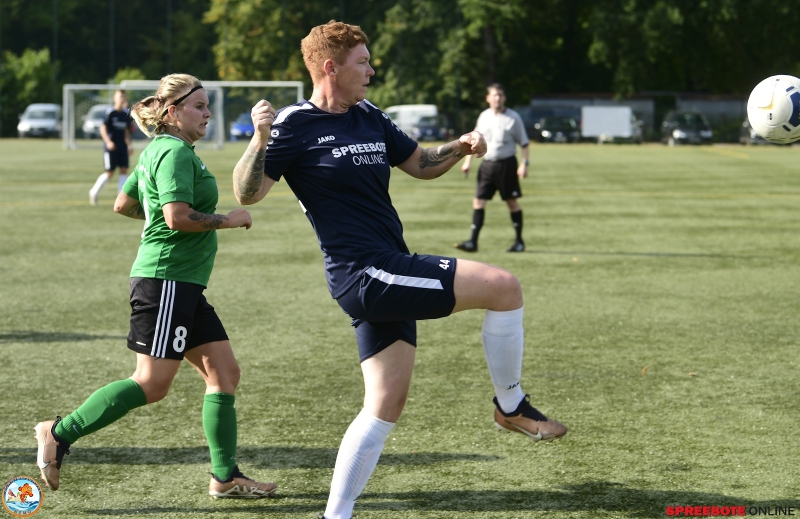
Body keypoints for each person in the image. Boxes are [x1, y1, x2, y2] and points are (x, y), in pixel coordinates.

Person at [233, 20, 567, 519]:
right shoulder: (293, 125)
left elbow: (419, 163)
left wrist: (459, 147)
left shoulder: (369, 114)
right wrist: (259, 138)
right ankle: (511, 407)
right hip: (364, 273)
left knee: (383, 406)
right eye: (362, 62)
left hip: (387, 268)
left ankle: (335, 515)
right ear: (331, 67)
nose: (371, 69)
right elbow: (246, 193)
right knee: (503, 286)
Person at [35, 74, 277, 499]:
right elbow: (176, 217)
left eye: (207, 106)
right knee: (151, 383)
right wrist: (227, 219)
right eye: (199, 106)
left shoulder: (162, 151)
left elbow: (123, 204)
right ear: (173, 111)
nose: (207, 114)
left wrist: (161, 225)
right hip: (166, 282)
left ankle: (225, 476)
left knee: (224, 373)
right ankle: (58, 432)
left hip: (182, 284)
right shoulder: (173, 153)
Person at [455, 83, 530, 253]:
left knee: (512, 202)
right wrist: (467, 163)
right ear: (488, 98)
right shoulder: (483, 116)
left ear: (505, 98)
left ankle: (519, 242)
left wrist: (524, 163)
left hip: (507, 165)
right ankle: (472, 242)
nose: (498, 98)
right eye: (495, 95)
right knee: (479, 201)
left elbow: (524, 143)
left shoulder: (513, 117)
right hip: (487, 165)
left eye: (501, 95)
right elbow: (473, 142)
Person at [89, 90, 133, 206]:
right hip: (111, 148)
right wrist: (108, 142)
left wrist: (129, 144)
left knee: (123, 170)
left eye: (124, 96)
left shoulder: (125, 114)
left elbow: (126, 131)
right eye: (120, 96)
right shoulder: (110, 112)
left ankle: (121, 197)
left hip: (122, 146)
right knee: (110, 172)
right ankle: (93, 192)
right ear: (114, 98)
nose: (122, 98)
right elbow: (103, 128)